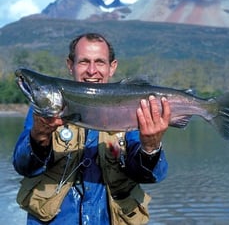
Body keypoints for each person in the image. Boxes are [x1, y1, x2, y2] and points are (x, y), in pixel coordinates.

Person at [13, 33, 171, 225]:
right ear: (70, 65)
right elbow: (23, 166)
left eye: (100, 62)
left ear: (112, 67)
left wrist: (151, 148)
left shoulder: (133, 110)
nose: (92, 70)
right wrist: (39, 136)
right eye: (84, 62)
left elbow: (150, 175)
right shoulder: (44, 111)